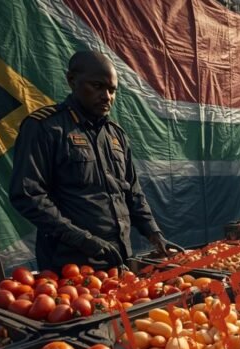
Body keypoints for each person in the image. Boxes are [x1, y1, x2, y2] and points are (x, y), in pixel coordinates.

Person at [10, 51, 172, 271]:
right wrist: (84, 240)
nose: (107, 96)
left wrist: (154, 233)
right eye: (97, 86)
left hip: (120, 257)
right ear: (72, 81)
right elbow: (28, 195)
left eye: (112, 90)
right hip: (71, 264)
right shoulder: (45, 128)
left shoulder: (116, 135)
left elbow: (133, 192)